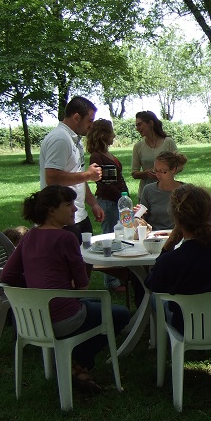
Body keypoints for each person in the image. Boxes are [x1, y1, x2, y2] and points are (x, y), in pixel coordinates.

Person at [1, 186, 130, 393]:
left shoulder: (29, 236)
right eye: (69, 205)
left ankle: (71, 361)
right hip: (64, 318)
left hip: (33, 318)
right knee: (121, 313)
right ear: (51, 210)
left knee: (94, 305)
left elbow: (7, 276)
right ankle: (78, 362)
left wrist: (35, 288)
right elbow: (82, 285)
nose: (74, 209)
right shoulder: (66, 238)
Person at [145, 184, 211, 378]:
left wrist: (168, 245)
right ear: (210, 213)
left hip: (186, 324)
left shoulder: (172, 260)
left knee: (154, 299)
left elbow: (152, 284)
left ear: (177, 219)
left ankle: (168, 353)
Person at [39, 96, 104, 242]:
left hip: (79, 215)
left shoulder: (74, 140)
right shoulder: (60, 139)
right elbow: (52, 177)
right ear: (76, 117)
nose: (91, 126)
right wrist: (88, 175)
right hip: (62, 219)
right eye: (90, 121)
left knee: (86, 255)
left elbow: (77, 175)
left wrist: (93, 203)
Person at [86, 118, 130, 293]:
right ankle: (111, 281)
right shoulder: (97, 156)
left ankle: (123, 275)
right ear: (103, 134)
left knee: (120, 237)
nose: (114, 135)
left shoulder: (107, 153)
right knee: (110, 239)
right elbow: (104, 184)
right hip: (109, 202)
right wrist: (121, 198)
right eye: (111, 132)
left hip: (118, 201)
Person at [131, 111, 178, 199]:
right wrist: (146, 173)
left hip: (167, 193)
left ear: (151, 123)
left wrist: (164, 173)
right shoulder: (138, 146)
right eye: (136, 125)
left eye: (140, 124)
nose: (137, 128)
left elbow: (179, 166)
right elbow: (134, 173)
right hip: (146, 195)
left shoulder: (168, 142)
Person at [137, 151, 188, 230]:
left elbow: (193, 219)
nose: (157, 175)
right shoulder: (149, 190)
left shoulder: (186, 191)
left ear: (173, 170)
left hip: (179, 234)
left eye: (162, 171)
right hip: (154, 234)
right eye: (155, 170)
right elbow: (143, 219)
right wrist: (138, 215)